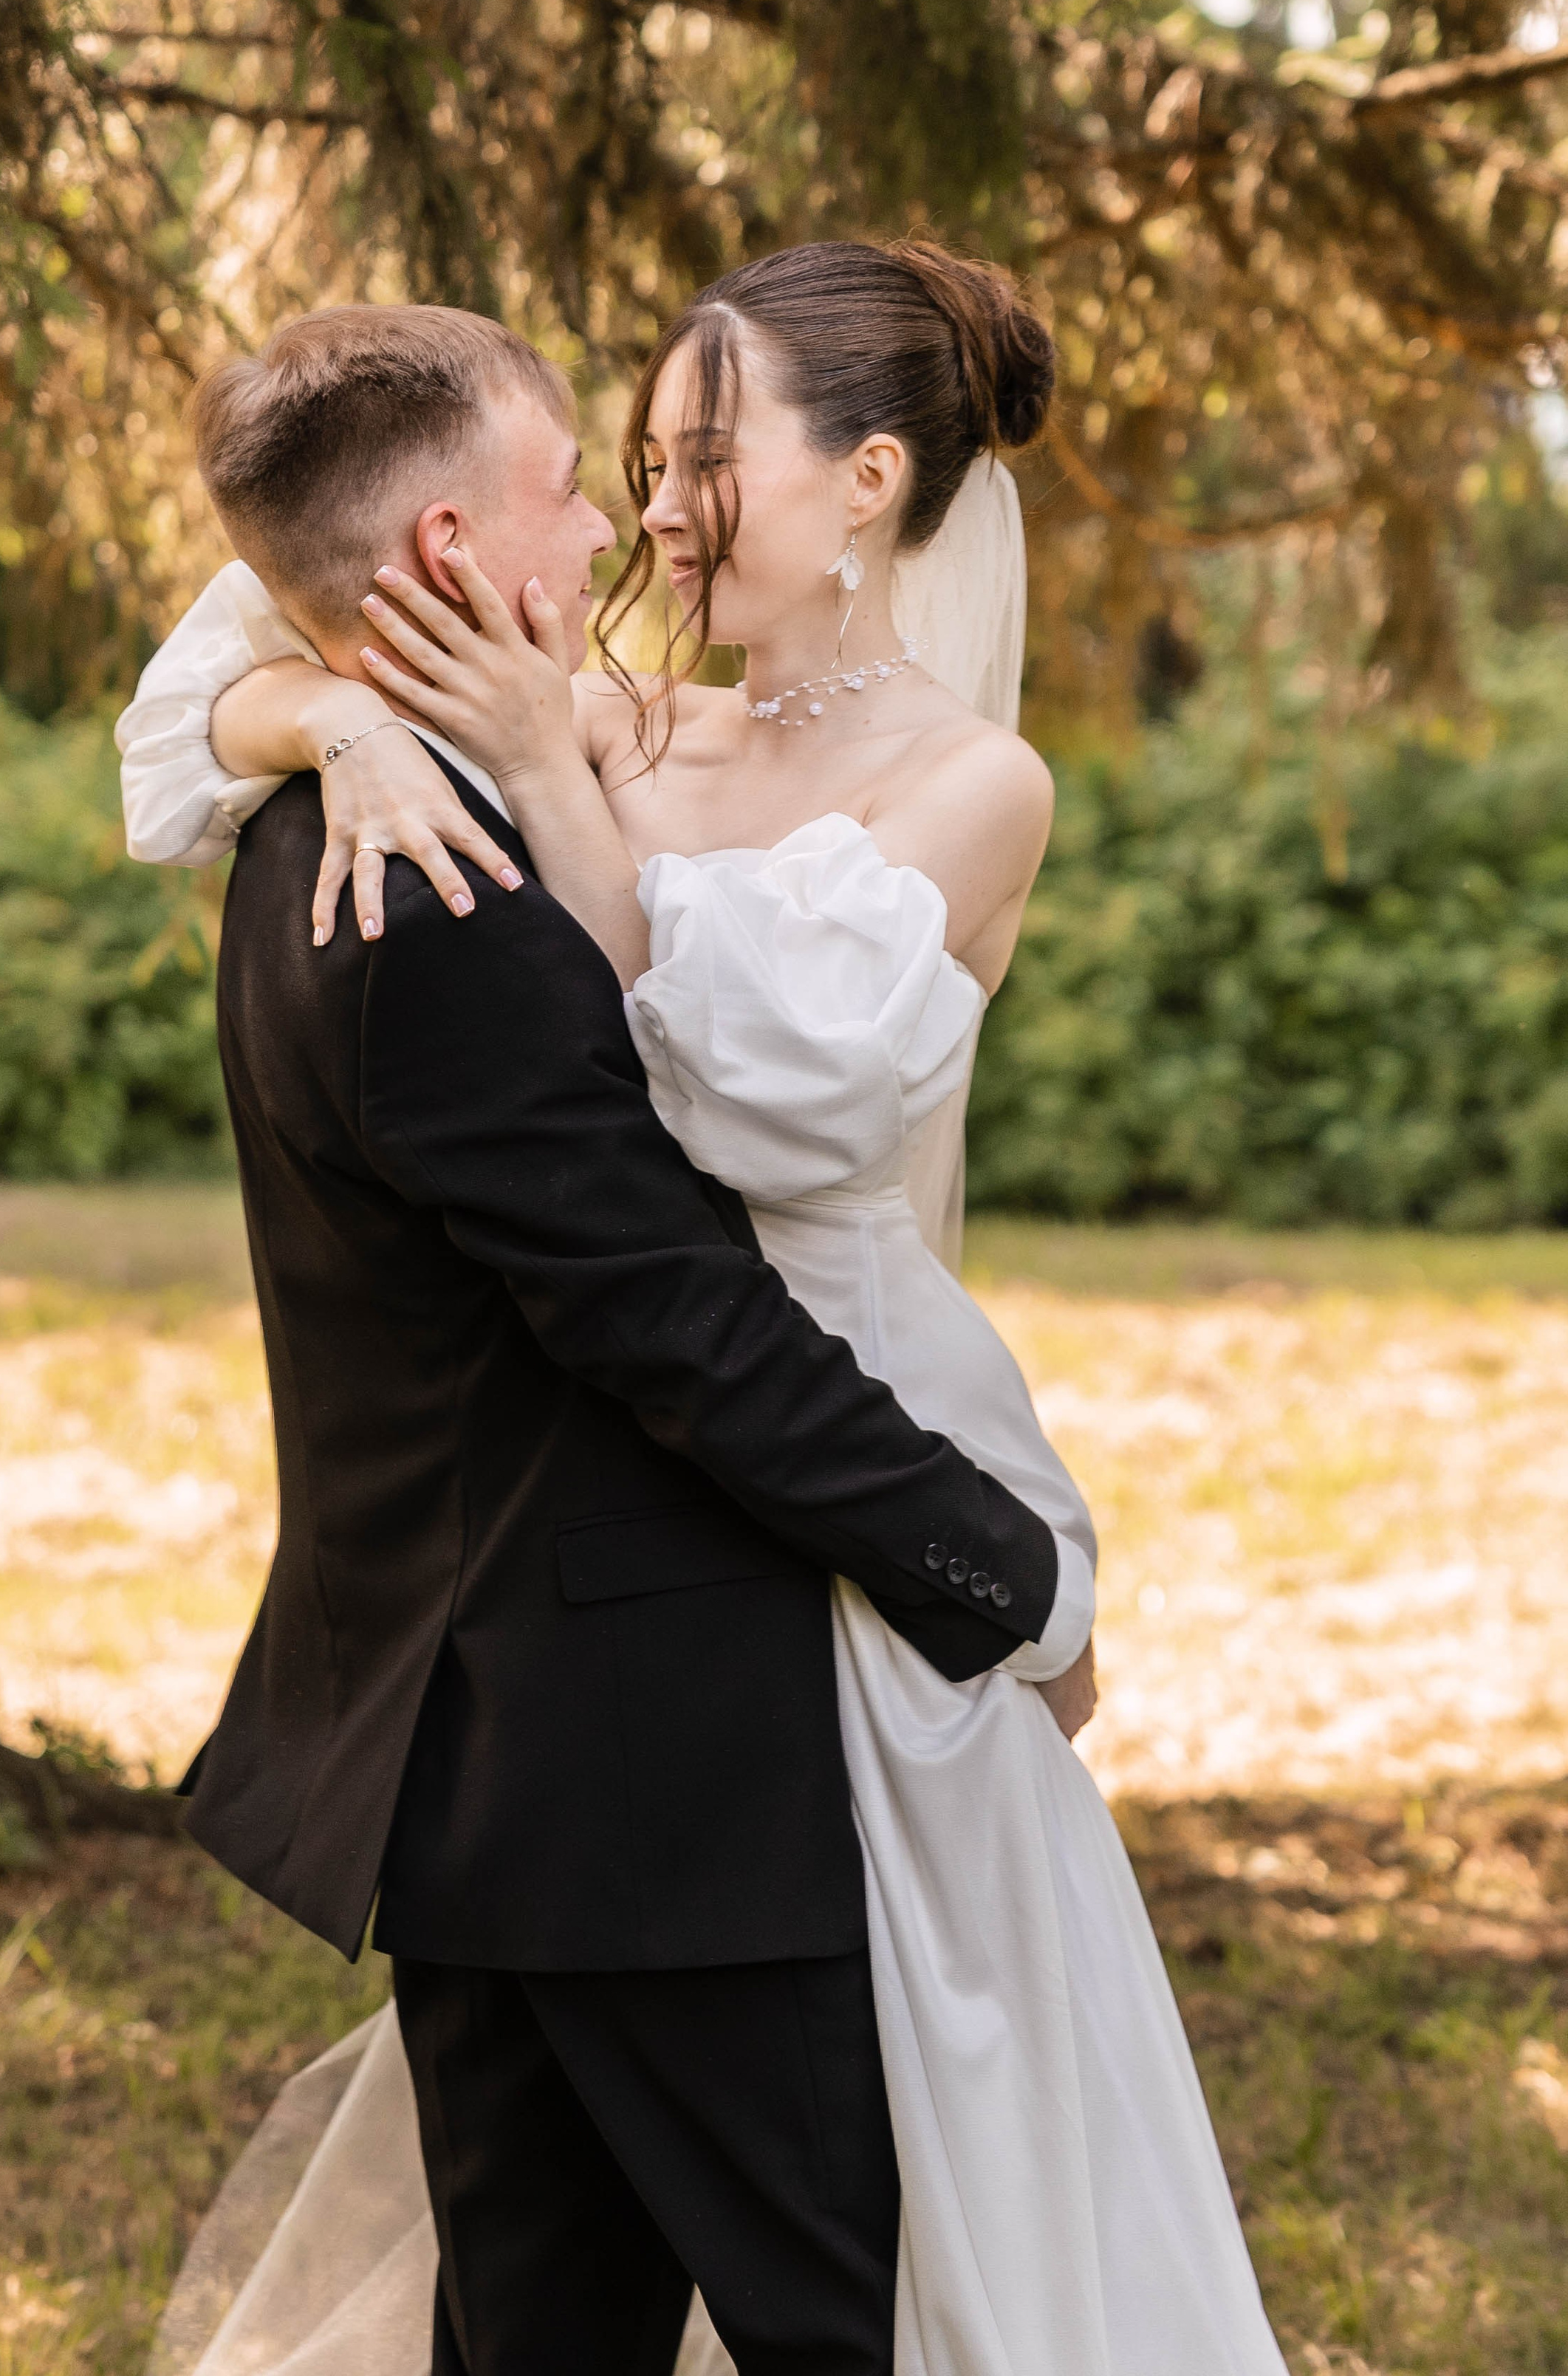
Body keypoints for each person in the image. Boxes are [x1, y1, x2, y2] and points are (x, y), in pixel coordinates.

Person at [120, 256, 1289, 2375]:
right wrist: (349, 711)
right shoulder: (548, 741)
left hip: (795, 1526)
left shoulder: (917, 777)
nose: (647, 518)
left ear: (864, 485)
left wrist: (449, 743)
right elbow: (220, 650)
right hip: (692, 1616)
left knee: (872, 2229)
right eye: (621, 469)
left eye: (688, 462)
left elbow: (749, 1115)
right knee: (804, 2299)